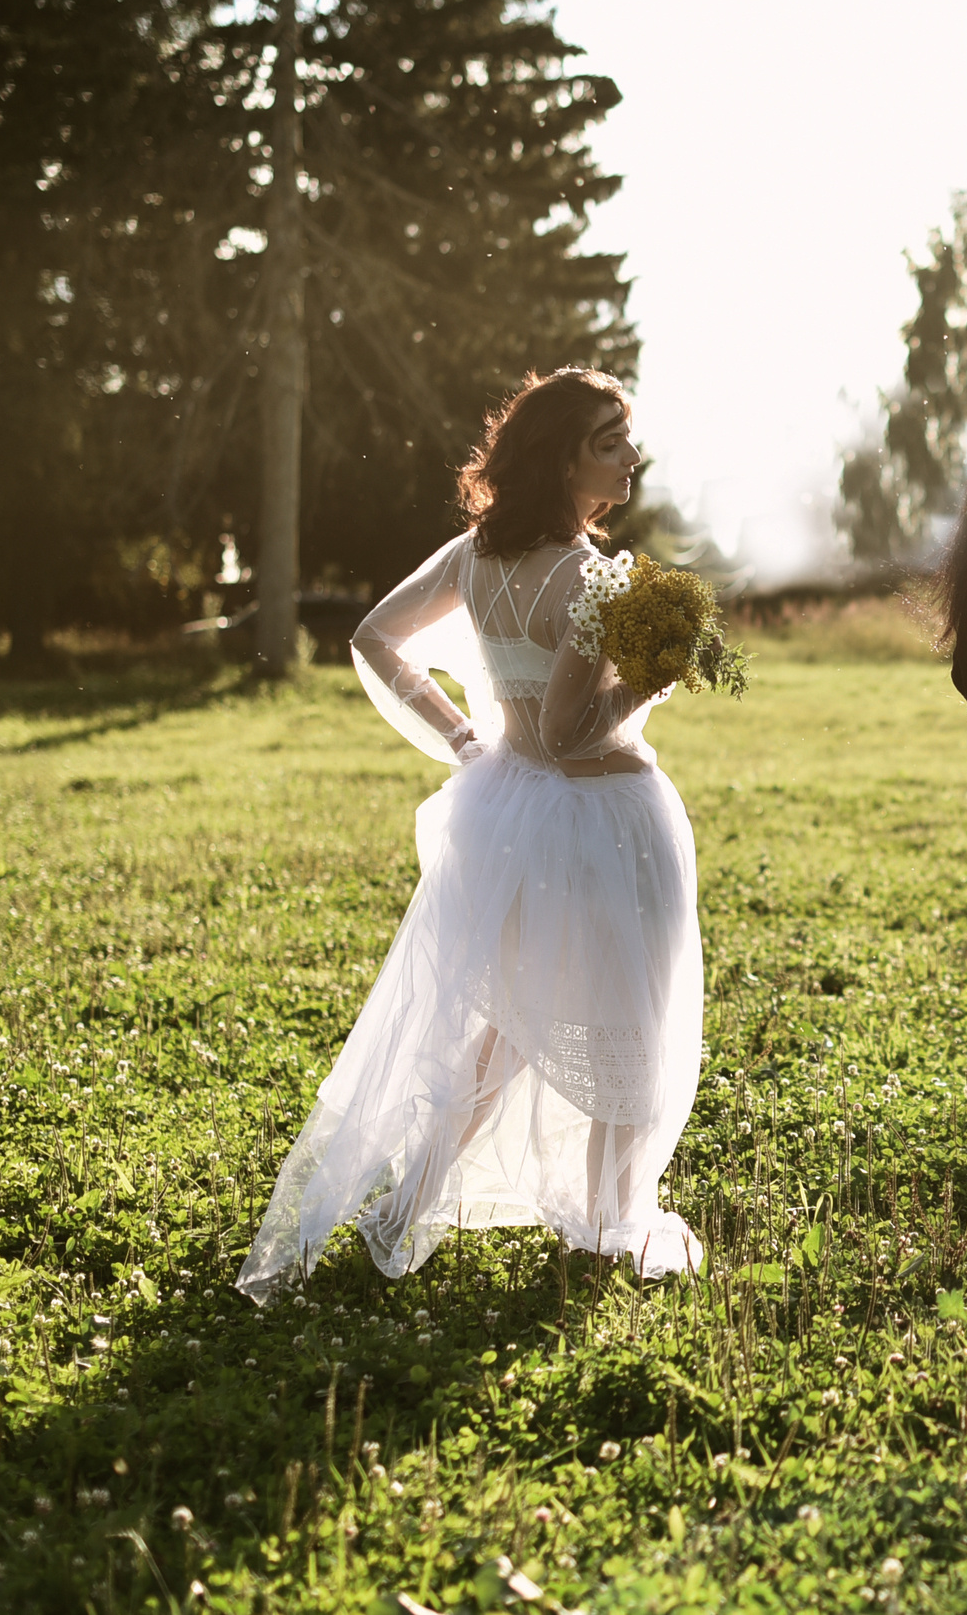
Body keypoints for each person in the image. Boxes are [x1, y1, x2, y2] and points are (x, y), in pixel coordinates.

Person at [238, 369, 704, 1299]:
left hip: (510, 810)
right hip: (603, 819)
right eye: (611, 442)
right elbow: (578, 733)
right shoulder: (594, 575)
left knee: (504, 1025)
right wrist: (655, 676)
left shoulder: (474, 557)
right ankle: (611, 1224)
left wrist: (463, 737)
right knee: (630, 1025)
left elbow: (375, 637)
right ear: (564, 458)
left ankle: (415, 1198)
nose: (631, 456)